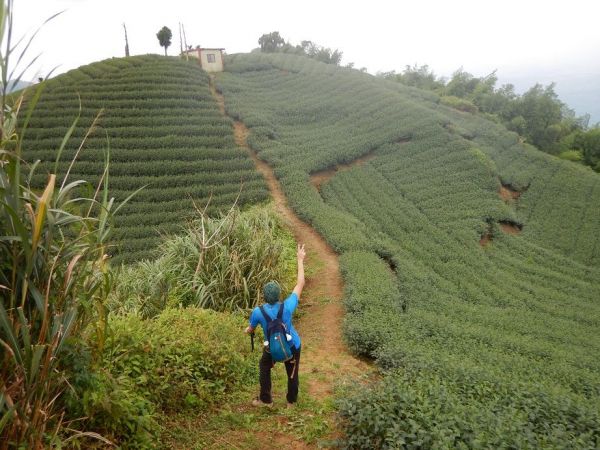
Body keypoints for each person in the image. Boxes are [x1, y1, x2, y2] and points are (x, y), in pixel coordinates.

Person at [245, 243, 306, 407]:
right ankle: (291, 402)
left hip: (271, 348)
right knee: (292, 373)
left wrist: (248, 330)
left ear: (264, 297)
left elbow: (250, 329)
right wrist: (300, 259)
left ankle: (266, 400)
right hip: (292, 346)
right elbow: (300, 283)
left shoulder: (258, 312)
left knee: (264, 366)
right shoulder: (287, 306)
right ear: (279, 295)